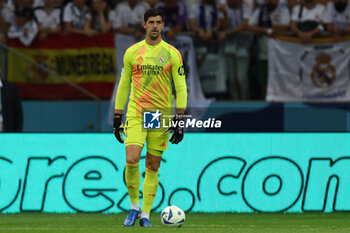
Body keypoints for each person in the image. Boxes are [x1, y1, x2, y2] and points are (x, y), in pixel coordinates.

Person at [113, 8, 187, 227]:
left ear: (163, 25)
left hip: (160, 115)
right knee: (132, 159)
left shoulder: (172, 53)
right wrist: (118, 116)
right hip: (137, 111)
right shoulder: (132, 52)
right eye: (151, 22)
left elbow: (181, 87)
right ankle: (134, 207)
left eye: (159, 22)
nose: (155, 26)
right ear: (144, 24)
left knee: (153, 166)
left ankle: (145, 214)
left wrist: (179, 119)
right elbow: (124, 85)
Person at [0, 62, 23, 132]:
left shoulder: (10, 88)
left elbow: (18, 114)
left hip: (8, 133)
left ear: (0, 69)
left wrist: (17, 135)